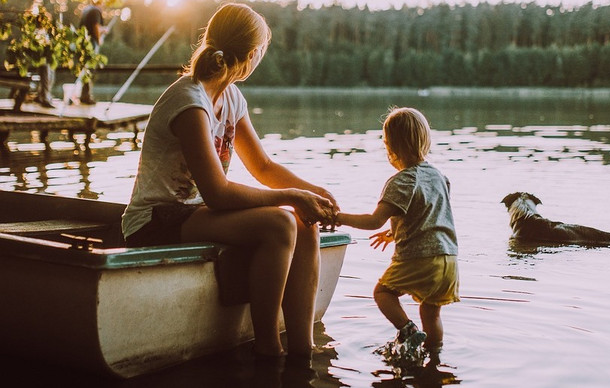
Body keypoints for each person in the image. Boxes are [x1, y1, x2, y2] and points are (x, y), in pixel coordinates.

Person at [121, 3, 337, 360]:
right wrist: (291, 197)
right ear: (252, 55)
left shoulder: (232, 97)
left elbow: (263, 166)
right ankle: (269, 349)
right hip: (155, 220)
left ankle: (303, 351)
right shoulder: (190, 102)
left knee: (304, 223)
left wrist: (312, 193)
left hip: (195, 214)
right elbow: (219, 193)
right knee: (282, 223)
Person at [334, 107, 459, 360]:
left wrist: (337, 218)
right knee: (431, 313)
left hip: (419, 258)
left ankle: (408, 329)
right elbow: (428, 215)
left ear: (390, 147)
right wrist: (394, 234)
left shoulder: (401, 181)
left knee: (383, 293)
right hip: (449, 261)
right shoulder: (439, 177)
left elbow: (373, 221)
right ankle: (433, 358)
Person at [78, 0, 104, 104]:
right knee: (90, 69)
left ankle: (84, 95)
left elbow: (87, 26)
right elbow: (95, 26)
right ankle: (86, 96)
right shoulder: (96, 11)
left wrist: (103, 30)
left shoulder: (86, 10)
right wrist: (99, 40)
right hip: (91, 43)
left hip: (83, 42)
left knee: (85, 68)